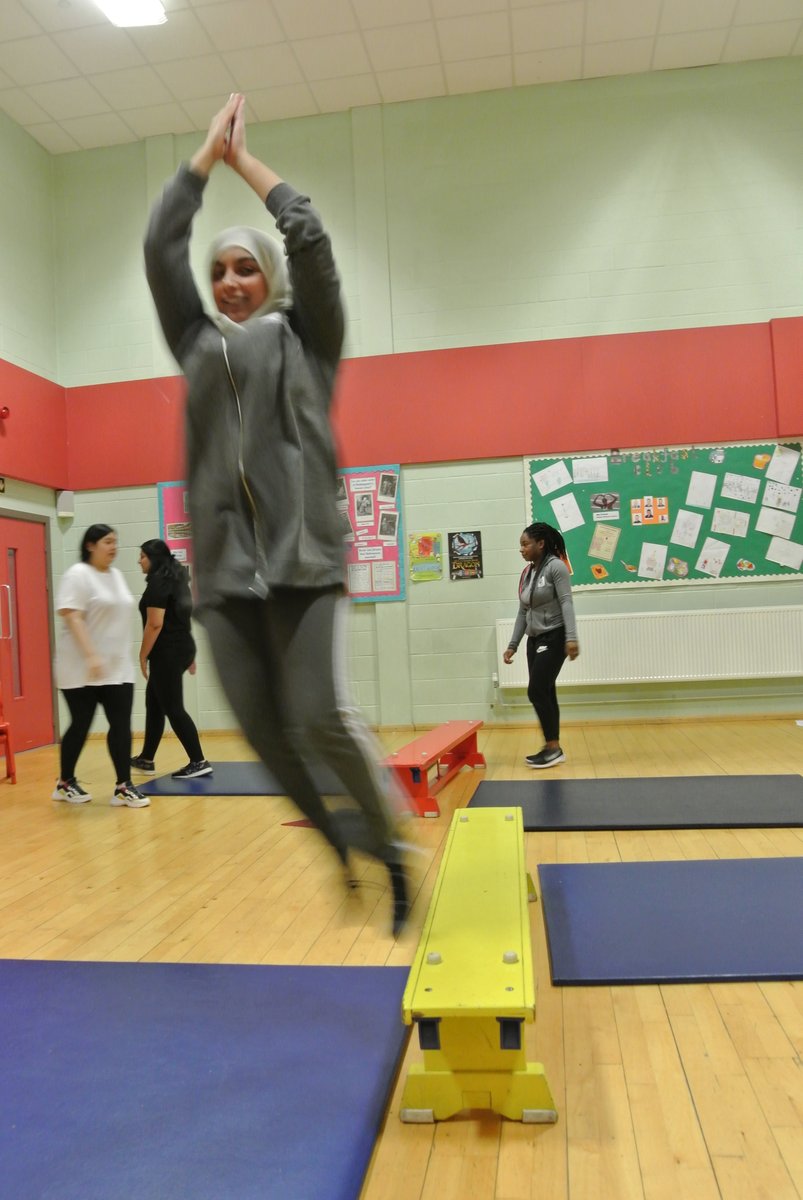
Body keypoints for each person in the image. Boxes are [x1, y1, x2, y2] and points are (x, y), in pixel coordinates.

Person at [144, 93, 410, 935]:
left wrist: (241, 161)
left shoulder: (309, 336)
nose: (229, 282)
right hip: (224, 577)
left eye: (245, 268)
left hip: (303, 560)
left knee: (318, 717)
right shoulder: (194, 345)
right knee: (262, 733)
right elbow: (159, 247)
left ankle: (388, 845)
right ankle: (339, 843)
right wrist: (197, 161)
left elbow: (309, 235)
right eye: (219, 271)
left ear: (271, 277)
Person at [53, 525, 149, 808]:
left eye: (115, 542)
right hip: (80, 668)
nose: (113, 547)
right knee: (81, 723)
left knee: (121, 725)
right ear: (90, 545)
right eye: (107, 542)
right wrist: (91, 655)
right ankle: (65, 782)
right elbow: (72, 616)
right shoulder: (78, 575)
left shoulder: (116, 576)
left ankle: (123, 786)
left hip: (117, 668)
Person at [131, 539, 212, 780]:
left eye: (143, 556)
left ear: (153, 559)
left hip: (168, 651)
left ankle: (198, 761)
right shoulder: (176, 578)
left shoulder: (159, 582)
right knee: (154, 702)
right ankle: (146, 758)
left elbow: (155, 624)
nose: (139, 561)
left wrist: (142, 655)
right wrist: (189, 654)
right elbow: (182, 615)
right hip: (179, 648)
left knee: (173, 708)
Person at [503, 522, 579, 768]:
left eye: (525, 544)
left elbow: (566, 602)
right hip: (534, 639)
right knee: (546, 691)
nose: (521, 549)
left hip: (554, 636)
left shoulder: (556, 567)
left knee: (536, 691)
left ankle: (552, 747)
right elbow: (522, 611)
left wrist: (571, 638)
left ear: (541, 544)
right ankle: (553, 747)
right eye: (521, 545)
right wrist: (513, 644)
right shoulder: (527, 573)